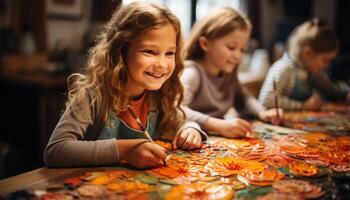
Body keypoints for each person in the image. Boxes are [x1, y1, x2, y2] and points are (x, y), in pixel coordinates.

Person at [44, 2, 206, 169]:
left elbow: (183, 119)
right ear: (121, 50)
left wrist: (191, 129)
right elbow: (55, 150)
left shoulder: (159, 95)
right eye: (149, 52)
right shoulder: (93, 95)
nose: (162, 64)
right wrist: (126, 150)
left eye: (169, 53)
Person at [181, 7, 282, 139]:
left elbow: (244, 100)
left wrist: (262, 112)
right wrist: (217, 125)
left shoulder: (229, 74)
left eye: (242, 49)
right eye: (231, 48)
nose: (238, 56)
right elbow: (177, 109)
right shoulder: (192, 73)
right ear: (205, 44)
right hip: (191, 137)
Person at [259, 18, 350, 110]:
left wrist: (346, 91)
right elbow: (266, 100)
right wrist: (302, 105)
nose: (327, 66)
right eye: (325, 60)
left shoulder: (313, 71)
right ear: (308, 53)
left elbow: (330, 89)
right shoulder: (284, 69)